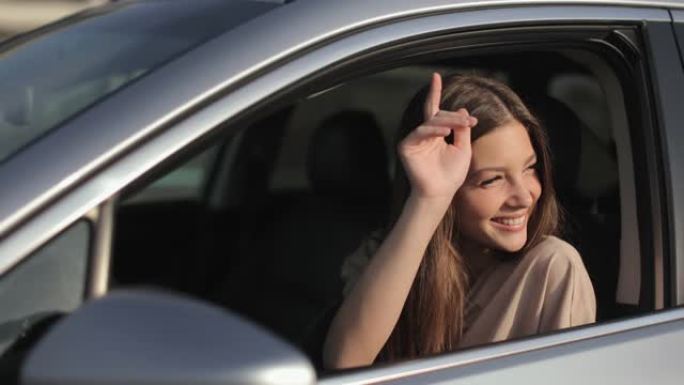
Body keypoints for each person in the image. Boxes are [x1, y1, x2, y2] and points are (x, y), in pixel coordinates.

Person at [322, 73, 596, 369]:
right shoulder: (387, 253)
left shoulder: (552, 267)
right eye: (492, 180)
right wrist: (429, 199)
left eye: (530, 169)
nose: (524, 197)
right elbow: (344, 363)